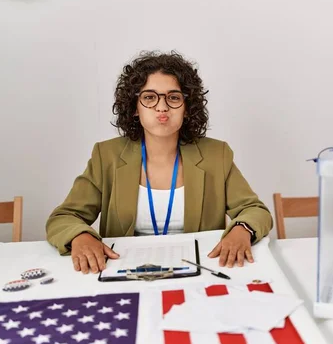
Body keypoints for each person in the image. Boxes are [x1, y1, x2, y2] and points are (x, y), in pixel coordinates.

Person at [46, 51, 272, 274]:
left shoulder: (216, 155)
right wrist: (80, 236)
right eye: (149, 97)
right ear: (135, 107)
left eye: (173, 97)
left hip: (201, 270)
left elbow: (255, 210)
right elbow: (64, 217)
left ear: (187, 107)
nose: (162, 107)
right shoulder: (107, 155)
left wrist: (242, 229)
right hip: (124, 270)